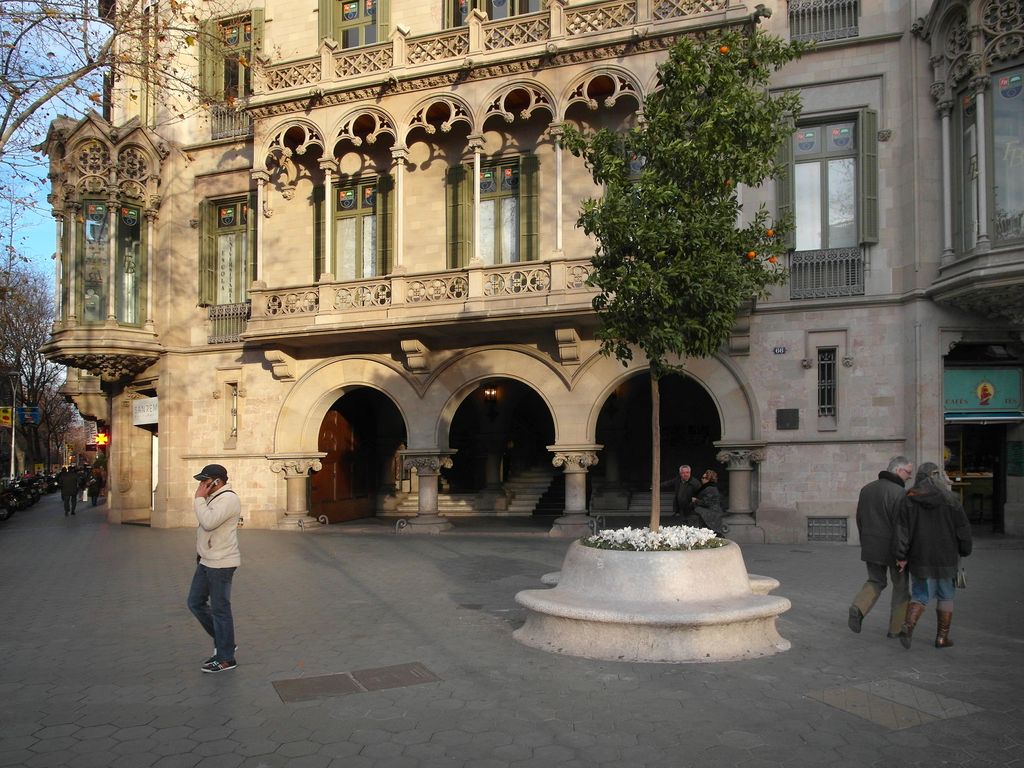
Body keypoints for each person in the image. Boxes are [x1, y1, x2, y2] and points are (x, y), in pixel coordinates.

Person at [894, 462, 972, 650]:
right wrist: (965, 549)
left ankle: (908, 626)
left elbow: (902, 532)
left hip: (920, 557)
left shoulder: (909, 499)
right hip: (946, 557)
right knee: (946, 596)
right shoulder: (951, 500)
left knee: (920, 595)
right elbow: (963, 529)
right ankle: (941, 638)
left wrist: (901, 555)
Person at [847, 455, 913, 638]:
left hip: (871, 546)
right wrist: (902, 555)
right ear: (898, 470)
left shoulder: (866, 489)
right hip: (893, 549)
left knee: (876, 581)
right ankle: (896, 629)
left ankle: (858, 607)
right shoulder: (899, 493)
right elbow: (901, 527)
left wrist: (865, 542)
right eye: (908, 472)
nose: (909, 476)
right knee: (901, 588)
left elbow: (860, 519)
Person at [187, 463, 241, 673]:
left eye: (205, 481)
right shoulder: (215, 498)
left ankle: (226, 657)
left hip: (221, 562)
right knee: (195, 602)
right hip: (207, 560)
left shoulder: (228, 499)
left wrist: (199, 498)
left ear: (217, 481)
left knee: (220, 609)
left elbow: (208, 522)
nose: (201, 485)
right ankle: (225, 642)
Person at [692, 469, 728, 535]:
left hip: (711, 515)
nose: (701, 479)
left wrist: (695, 500)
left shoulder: (710, 488)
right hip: (712, 514)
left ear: (709, 479)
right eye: (702, 477)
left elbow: (707, 502)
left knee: (712, 534)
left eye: (703, 478)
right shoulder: (710, 487)